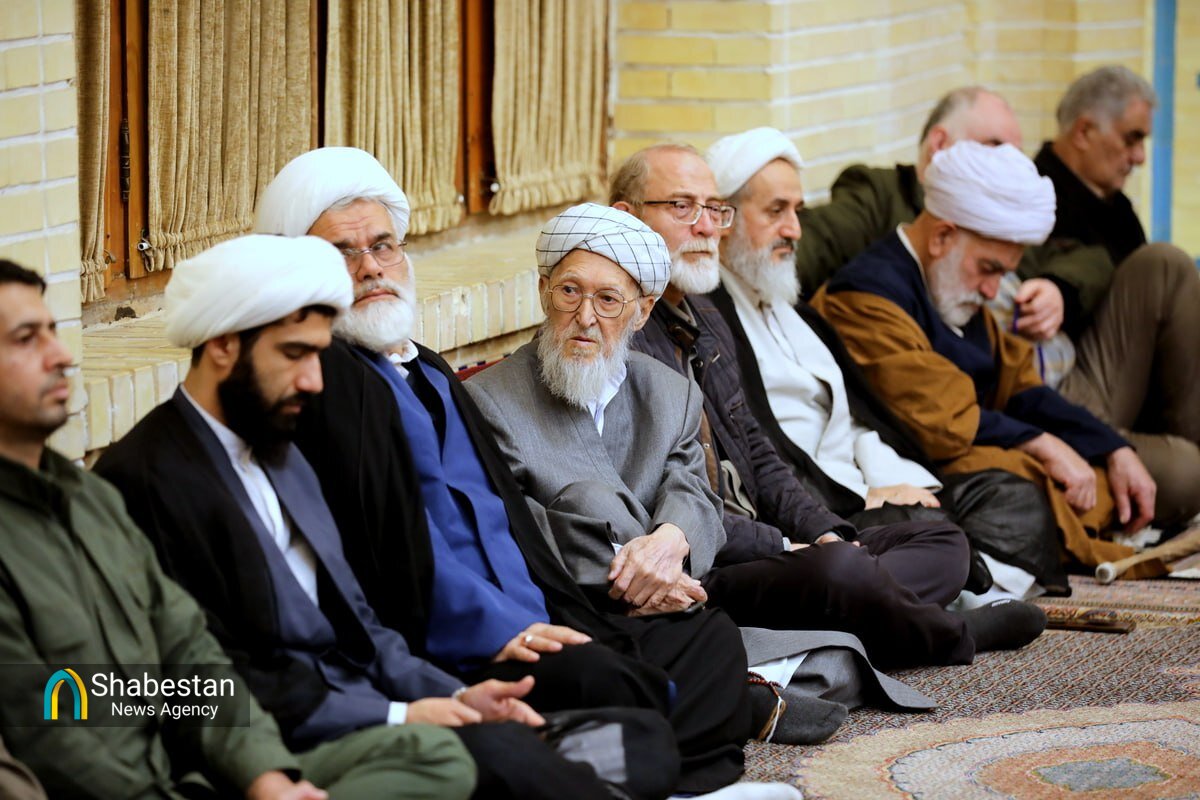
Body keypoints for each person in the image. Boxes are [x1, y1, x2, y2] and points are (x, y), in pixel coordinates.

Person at [252, 147, 762, 797]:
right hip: (469, 640)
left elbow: (513, 519)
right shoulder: (333, 387)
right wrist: (510, 627)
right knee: (623, 687)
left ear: (640, 311)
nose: (371, 267)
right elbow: (393, 556)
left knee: (707, 640)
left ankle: (629, 752)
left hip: (547, 606)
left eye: (383, 246)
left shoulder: (426, 367)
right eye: (342, 253)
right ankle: (642, 753)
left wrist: (632, 573)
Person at [95, 236, 665, 800]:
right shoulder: (145, 480)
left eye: (318, 356)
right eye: (294, 355)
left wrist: (450, 698)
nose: (315, 381)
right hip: (287, 741)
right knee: (503, 758)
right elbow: (202, 679)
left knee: (637, 739)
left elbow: (362, 627)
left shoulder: (281, 451)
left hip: (380, 700)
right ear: (222, 346)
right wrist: (400, 715)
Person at [466, 202, 1045, 676]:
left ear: (641, 313)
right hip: (609, 598)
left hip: (693, 576)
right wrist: (635, 572)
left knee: (933, 540)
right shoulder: (490, 399)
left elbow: (694, 490)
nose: (585, 317)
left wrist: (671, 540)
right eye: (569, 292)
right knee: (839, 573)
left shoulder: (668, 390)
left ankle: (856, 615)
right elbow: (516, 523)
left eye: (608, 299)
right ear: (543, 292)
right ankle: (946, 631)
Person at [0, 258, 474, 800]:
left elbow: (190, 658)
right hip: (155, 782)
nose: (62, 356)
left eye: (53, 332)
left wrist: (264, 778)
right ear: (224, 347)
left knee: (440, 758)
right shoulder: (138, 478)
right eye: (26, 339)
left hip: (217, 767)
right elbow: (48, 734)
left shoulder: (89, 501)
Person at [704, 127, 1064, 601]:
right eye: (776, 212)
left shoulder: (792, 310)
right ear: (723, 218)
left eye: (797, 211)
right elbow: (761, 457)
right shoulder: (711, 321)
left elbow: (855, 420)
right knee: (931, 531)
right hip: (815, 508)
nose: (794, 230)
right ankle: (954, 594)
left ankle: (942, 591)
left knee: (1009, 496)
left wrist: (892, 480)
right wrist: (863, 497)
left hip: (862, 485)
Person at [812, 140, 1164, 580]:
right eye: (990, 269)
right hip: (920, 459)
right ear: (942, 237)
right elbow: (941, 421)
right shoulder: (864, 298)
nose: (994, 291)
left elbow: (1020, 384)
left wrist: (1111, 446)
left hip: (968, 443)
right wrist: (1043, 445)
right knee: (1034, 483)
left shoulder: (952, 285)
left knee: (1104, 475)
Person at [1032, 65, 1199, 527]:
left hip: (1120, 397)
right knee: (1166, 264)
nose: (1140, 157)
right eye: (1131, 139)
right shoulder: (1036, 195)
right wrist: (1061, 291)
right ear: (1084, 131)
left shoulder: (1115, 207)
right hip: (1061, 392)